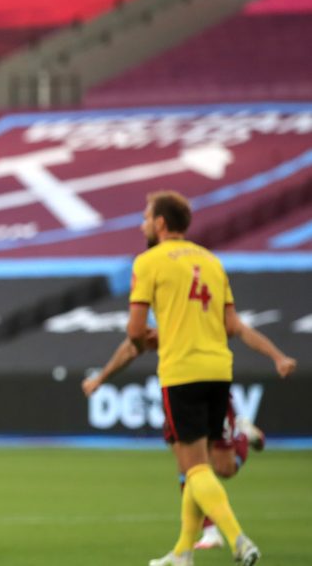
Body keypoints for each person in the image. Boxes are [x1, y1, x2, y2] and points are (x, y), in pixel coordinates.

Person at [126, 191, 296, 566]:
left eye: (145, 217)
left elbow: (136, 329)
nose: (141, 224)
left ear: (160, 223)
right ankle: (182, 554)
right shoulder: (212, 261)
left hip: (181, 371)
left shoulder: (148, 261)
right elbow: (233, 325)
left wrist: (148, 339)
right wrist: (277, 356)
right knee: (217, 467)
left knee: (193, 468)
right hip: (219, 370)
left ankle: (238, 541)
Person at [82, 334, 272, 550]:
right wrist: (100, 378)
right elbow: (133, 344)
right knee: (189, 464)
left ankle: (244, 435)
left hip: (211, 386)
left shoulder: (202, 309)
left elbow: (237, 327)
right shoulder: (168, 313)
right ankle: (207, 534)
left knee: (224, 468)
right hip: (178, 390)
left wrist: (277, 356)